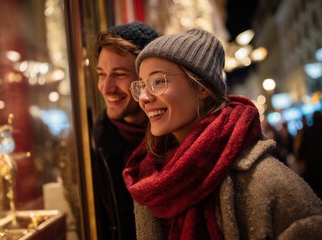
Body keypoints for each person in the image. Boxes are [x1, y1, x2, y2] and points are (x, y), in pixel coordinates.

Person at [123, 29, 322, 239]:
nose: (144, 97)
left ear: (202, 88)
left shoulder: (266, 181)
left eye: (158, 82)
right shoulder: (150, 177)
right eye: (142, 85)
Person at [92, 21, 158, 240]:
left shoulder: (175, 138)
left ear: (146, 79)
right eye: (101, 74)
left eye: (119, 74)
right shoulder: (93, 143)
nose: (106, 87)